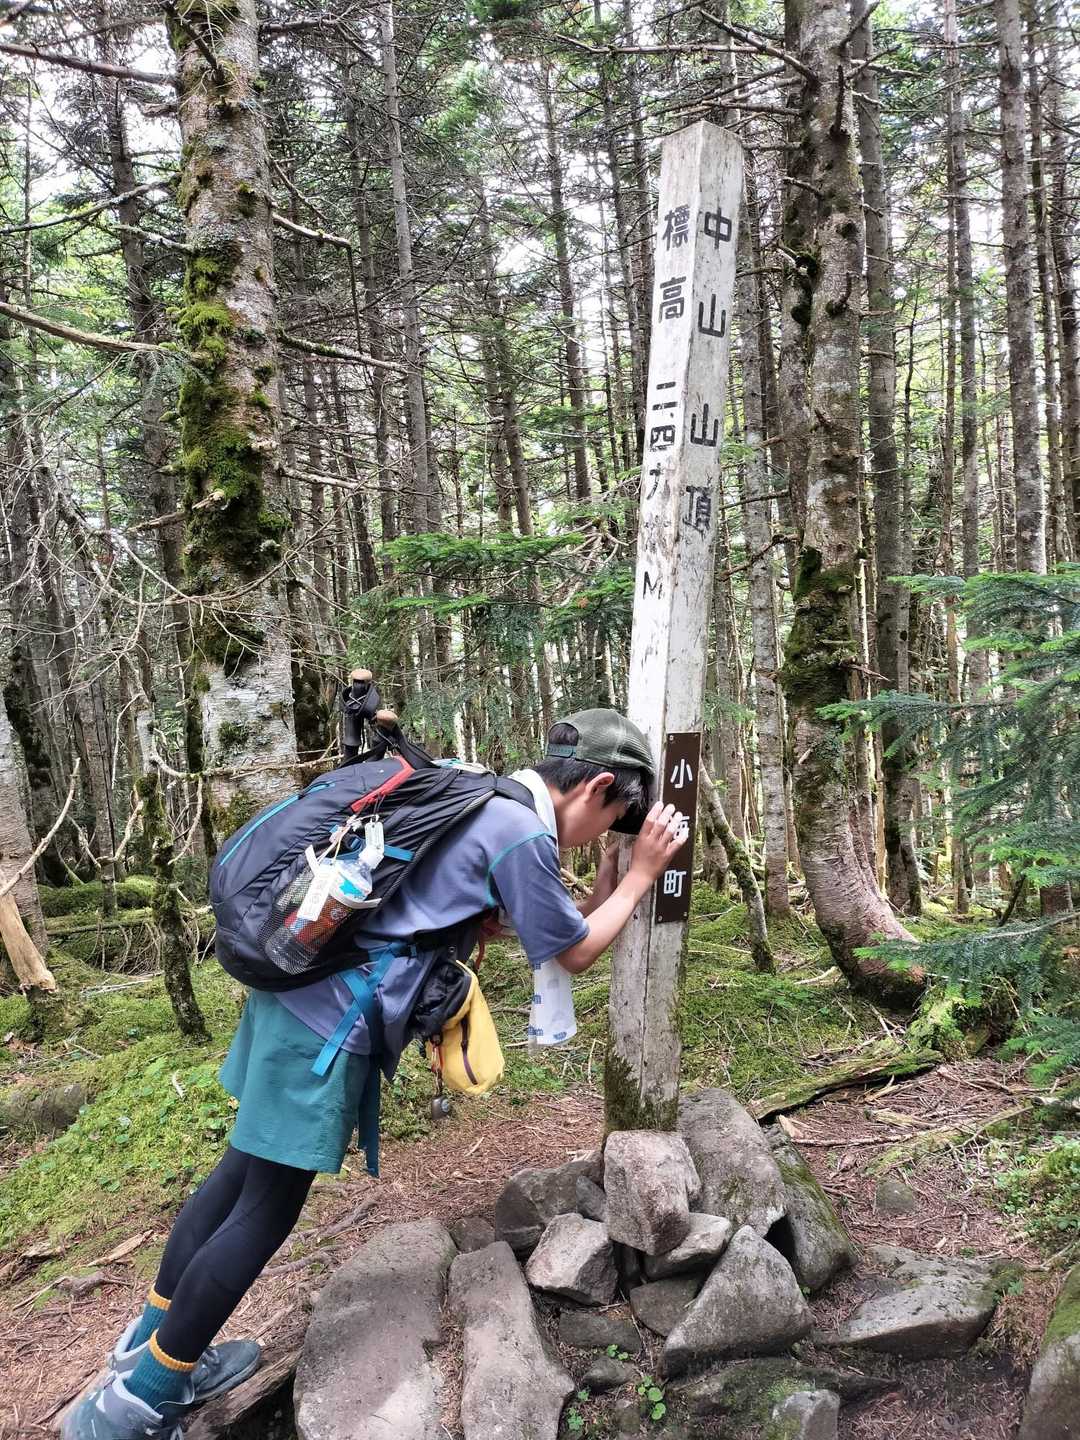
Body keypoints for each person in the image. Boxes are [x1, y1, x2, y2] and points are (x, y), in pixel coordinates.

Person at [65, 709, 687, 1440]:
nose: (603, 835)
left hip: (295, 991)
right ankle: (138, 1405)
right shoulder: (520, 830)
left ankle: (148, 1349)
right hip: (328, 1025)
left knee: (236, 1178)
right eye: (613, 819)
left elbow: (550, 927)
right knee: (265, 1208)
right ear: (599, 786)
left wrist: (611, 881)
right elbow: (574, 952)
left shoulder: (481, 792)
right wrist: (640, 874)